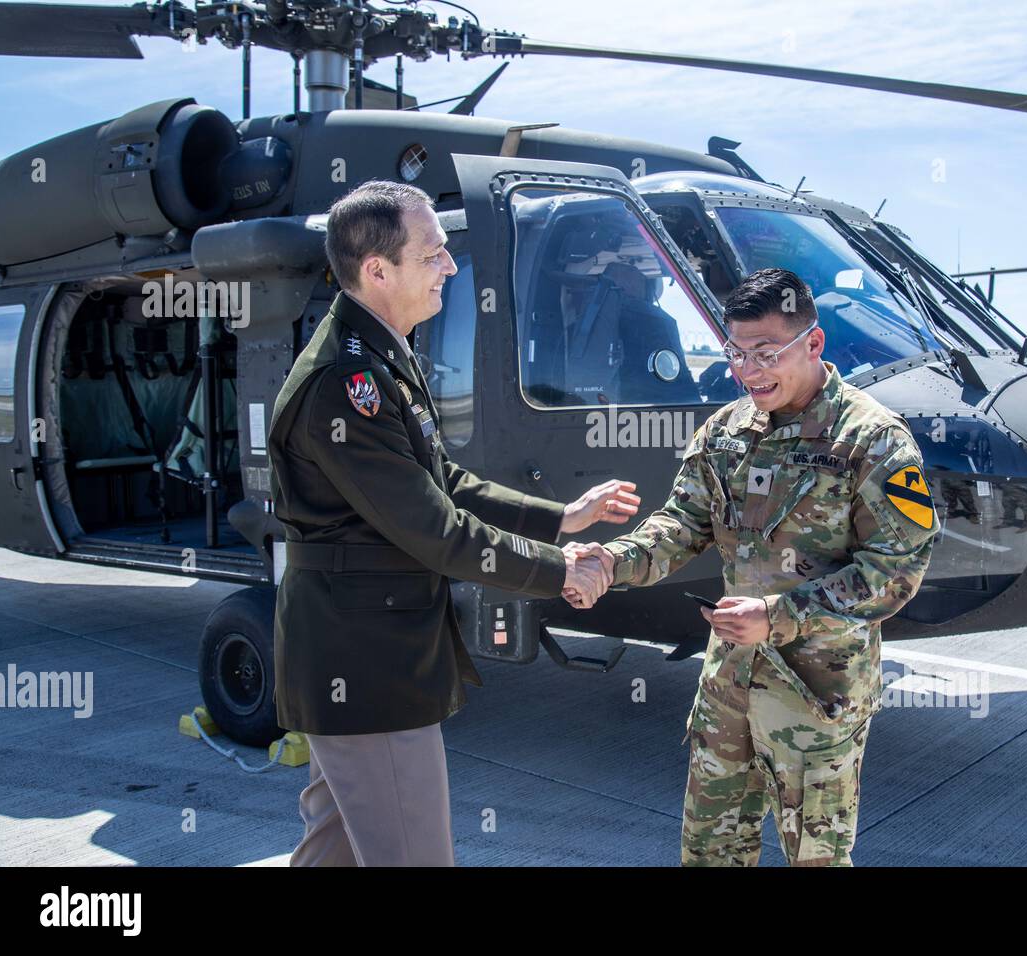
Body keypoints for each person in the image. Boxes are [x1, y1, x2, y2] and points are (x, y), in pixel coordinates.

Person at [268, 180, 637, 866]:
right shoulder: (348, 385)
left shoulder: (380, 356)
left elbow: (444, 482)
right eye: (434, 253)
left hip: (354, 657)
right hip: (368, 666)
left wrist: (560, 520)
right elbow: (436, 529)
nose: (449, 265)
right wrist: (562, 571)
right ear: (378, 270)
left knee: (334, 853)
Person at [564, 269, 938, 866]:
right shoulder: (726, 432)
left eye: (765, 354)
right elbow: (682, 526)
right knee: (709, 852)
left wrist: (781, 616)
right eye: (734, 353)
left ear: (813, 344)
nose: (747, 370)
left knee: (815, 858)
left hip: (817, 693)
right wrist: (613, 560)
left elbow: (899, 568)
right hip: (729, 684)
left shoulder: (872, 439)